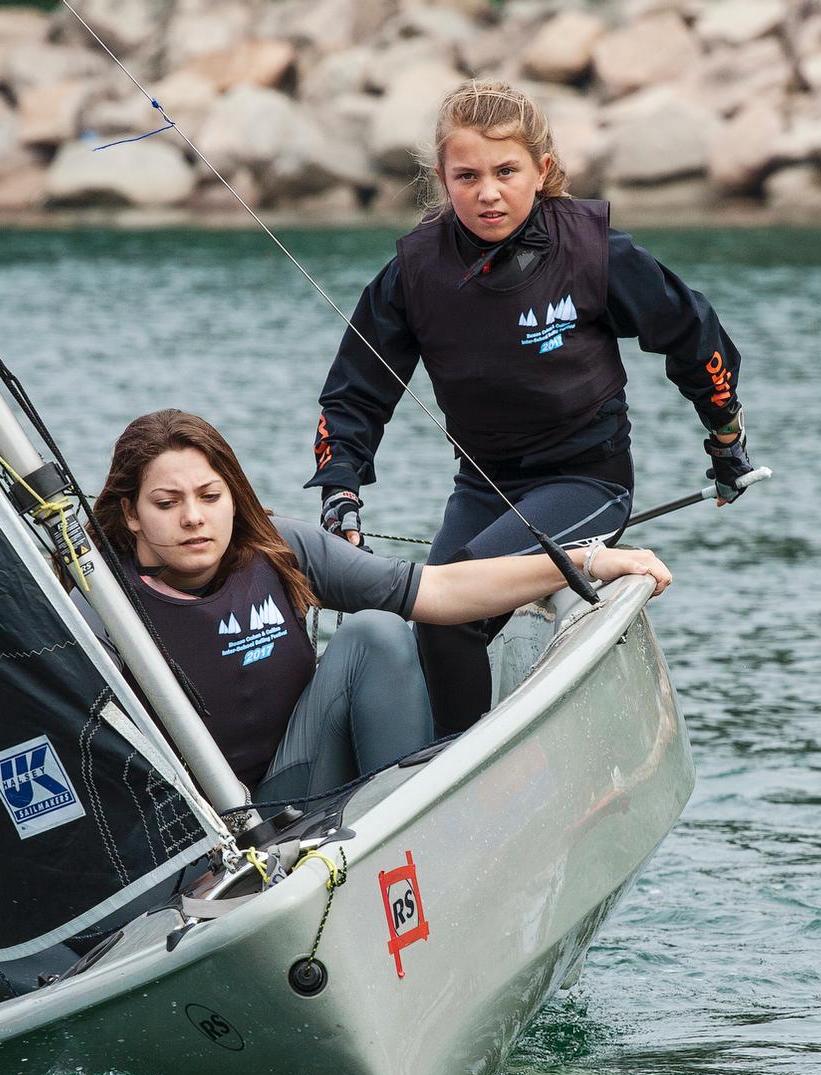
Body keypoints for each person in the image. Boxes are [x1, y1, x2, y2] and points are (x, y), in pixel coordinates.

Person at [307, 79, 754, 737]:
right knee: (437, 613)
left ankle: (468, 765)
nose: (488, 191)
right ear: (442, 177)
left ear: (540, 170)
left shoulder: (592, 250)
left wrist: (726, 437)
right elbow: (354, 393)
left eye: (506, 171)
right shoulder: (414, 271)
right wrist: (339, 490)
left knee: (455, 600)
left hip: (588, 482)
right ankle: (455, 759)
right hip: (484, 487)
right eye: (468, 175)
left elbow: (693, 333)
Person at [81, 409, 671, 807]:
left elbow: (438, 591)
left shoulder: (280, 548)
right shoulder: (95, 602)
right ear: (132, 513)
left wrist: (586, 562)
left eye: (210, 497)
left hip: (304, 791)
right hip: (205, 832)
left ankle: (411, 829)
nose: (193, 518)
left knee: (377, 633)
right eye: (166, 502)